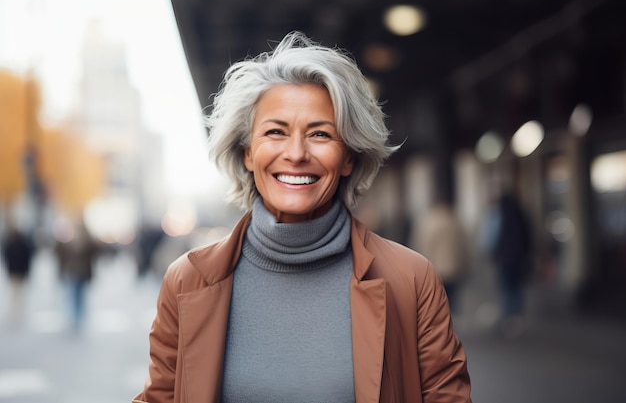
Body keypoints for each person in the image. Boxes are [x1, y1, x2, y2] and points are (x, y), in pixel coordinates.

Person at [133, 31, 471, 403]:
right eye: (276, 132)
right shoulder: (187, 281)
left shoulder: (411, 280)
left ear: (349, 157)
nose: (296, 153)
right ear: (247, 153)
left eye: (320, 134)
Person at [485, 190, 532, 337]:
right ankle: (516, 317)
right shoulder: (521, 214)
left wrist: (492, 253)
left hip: (505, 258)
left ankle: (508, 317)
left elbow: (493, 236)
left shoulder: (499, 215)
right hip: (518, 258)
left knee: (506, 287)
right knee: (516, 287)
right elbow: (528, 237)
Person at [415, 199, 470, 314]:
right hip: (453, 267)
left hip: (435, 267)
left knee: (438, 299)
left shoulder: (429, 224)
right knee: (452, 298)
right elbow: (464, 245)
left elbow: (422, 246)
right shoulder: (455, 221)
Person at [55, 219, 101, 331]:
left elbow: (96, 249)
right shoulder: (69, 243)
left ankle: (79, 316)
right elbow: (60, 255)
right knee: (73, 294)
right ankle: (74, 317)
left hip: (83, 273)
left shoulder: (87, 243)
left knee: (80, 295)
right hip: (73, 272)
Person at [1, 225, 36, 328]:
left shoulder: (20, 245)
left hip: (18, 272)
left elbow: (27, 259)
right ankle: (15, 311)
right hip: (15, 272)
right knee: (15, 293)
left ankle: (18, 311)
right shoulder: (12, 245)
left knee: (18, 293)